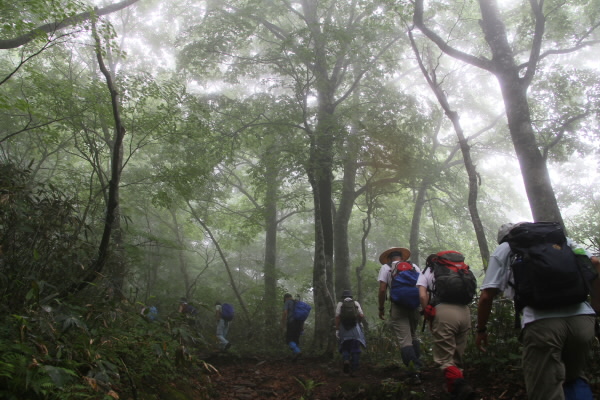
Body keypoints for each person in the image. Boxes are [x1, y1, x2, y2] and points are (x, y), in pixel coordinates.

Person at [476, 222, 599, 400]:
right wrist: (596, 305)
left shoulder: (505, 248)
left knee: (546, 390)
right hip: (582, 320)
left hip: (542, 323)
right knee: (575, 377)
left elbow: (487, 296)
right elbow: (595, 262)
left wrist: (481, 329)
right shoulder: (561, 240)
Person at [417, 253, 476, 400]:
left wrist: (427, 313)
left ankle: (461, 386)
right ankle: (455, 392)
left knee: (444, 359)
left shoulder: (429, 272)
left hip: (444, 312)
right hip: (465, 311)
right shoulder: (461, 270)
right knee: (457, 357)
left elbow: (423, 296)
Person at [377, 246, 423, 383]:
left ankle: (414, 373)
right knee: (414, 335)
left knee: (405, 339)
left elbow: (382, 289)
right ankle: (418, 366)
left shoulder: (386, 268)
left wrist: (381, 308)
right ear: (402, 257)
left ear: (389, 258)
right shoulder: (413, 266)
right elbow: (421, 285)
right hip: (415, 304)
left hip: (398, 305)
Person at [335, 289, 367, 376]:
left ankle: (346, 360)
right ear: (351, 296)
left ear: (343, 297)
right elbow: (361, 315)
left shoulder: (340, 304)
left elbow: (337, 317)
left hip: (344, 329)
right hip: (355, 329)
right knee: (355, 349)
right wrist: (359, 322)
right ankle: (355, 369)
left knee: (345, 346)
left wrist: (337, 329)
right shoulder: (356, 303)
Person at [281, 293, 303, 360]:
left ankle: (297, 351)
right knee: (296, 339)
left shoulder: (287, 302)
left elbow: (285, 312)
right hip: (299, 323)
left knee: (289, 339)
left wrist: (283, 323)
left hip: (291, 323)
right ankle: (295, 357)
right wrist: (302, 327)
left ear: (286, 298)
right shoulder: (297, 302)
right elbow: (302, 315)